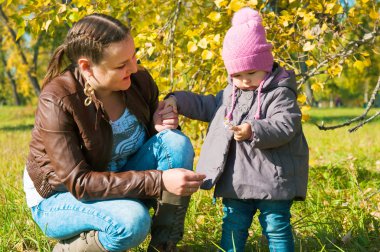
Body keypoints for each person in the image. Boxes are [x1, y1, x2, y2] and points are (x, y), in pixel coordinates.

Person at [23, 13, 205, 252]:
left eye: (133, 56)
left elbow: (154, 146)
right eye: (121, 65)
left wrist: (159, 127)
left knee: (175, 142)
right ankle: (70, 249)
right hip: (60, 198)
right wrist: (160, 181)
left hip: (118, 178)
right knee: (133, 221)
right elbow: (80, 184)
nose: (134, 67)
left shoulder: (138, 80)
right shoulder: (57, 100)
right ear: (87, 67)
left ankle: (164, 245)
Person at [163, 8, 309, 252]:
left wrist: (254, 129)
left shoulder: (280, 93)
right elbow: (206, 104)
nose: (244, 80)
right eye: (237, 74)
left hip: (273, 178)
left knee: (276, 225)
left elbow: (286, 125)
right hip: (237, 179)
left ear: (265, 64)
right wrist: (176, 99)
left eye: (251, 72)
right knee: (233, 223)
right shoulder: (231, 93)